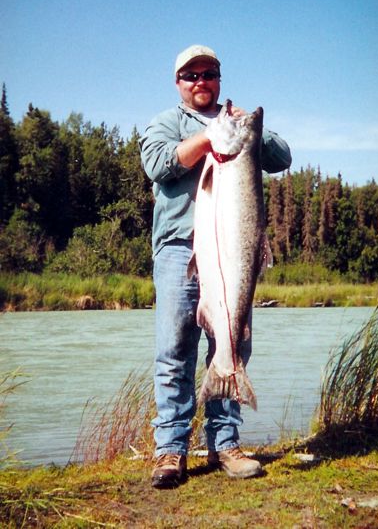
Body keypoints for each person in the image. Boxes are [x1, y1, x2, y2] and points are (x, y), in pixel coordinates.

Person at [139, 45, 292, 489]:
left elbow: (281, 157)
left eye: (210, 73)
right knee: (173, 352)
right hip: (178, 251)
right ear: (178, 83)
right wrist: (211, 137)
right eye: (192, 75)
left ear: (219, 79)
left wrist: (248, 130)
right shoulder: (166, 123)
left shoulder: (238, 124)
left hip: (234, 252)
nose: (201, 81)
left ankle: (226, 444)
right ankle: (171, 451)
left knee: (232, 343)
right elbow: (159, 164)